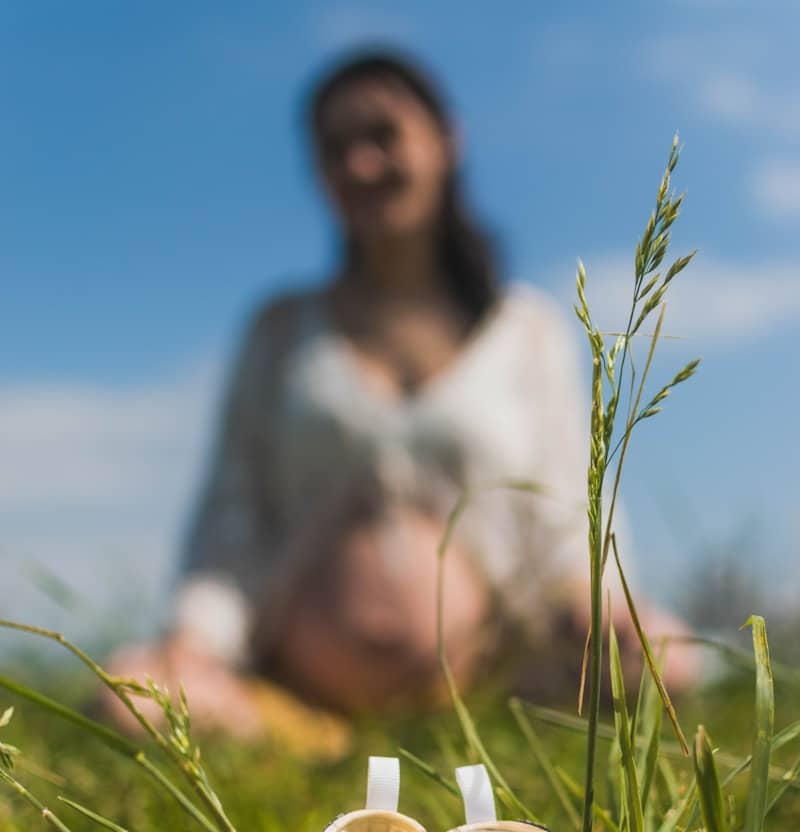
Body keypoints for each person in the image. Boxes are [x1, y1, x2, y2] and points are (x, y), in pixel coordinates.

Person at [104, 50, 693, 739]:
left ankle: (501, 720)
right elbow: (230, 515)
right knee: (132, 698)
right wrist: (195, 640)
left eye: (382, 136)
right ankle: (294, 737)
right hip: (290, 687)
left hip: (493, 676)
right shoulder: (279, 331)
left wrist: (588, 603)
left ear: (446, 141)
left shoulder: (525, 329)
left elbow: (567, 498)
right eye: (335, 150)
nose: (359, 166)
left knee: (666, 659)